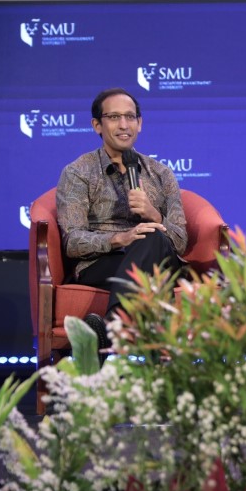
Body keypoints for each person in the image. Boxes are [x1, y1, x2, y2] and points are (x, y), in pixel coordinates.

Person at [56, 87, 187, 348]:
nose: (124, 125)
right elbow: (72, 241)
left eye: (130, 117)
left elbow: (181, 241)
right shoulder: (78, 172)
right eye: (114, 117)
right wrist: (119, 238)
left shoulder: (161, 174)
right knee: (150, 244)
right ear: (97, 125)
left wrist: (153, 214)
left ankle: (111, 325)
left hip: (159, 260)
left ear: (140, 123)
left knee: (152, 234)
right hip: (103, 263)